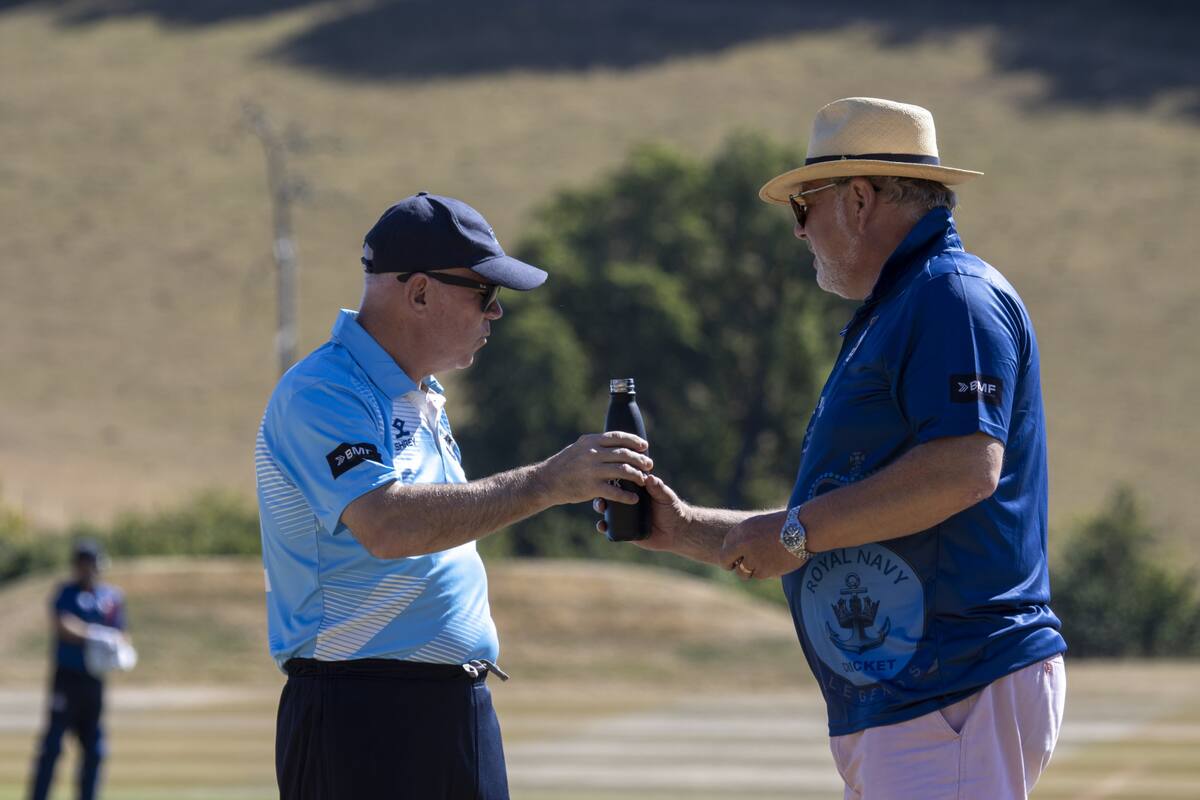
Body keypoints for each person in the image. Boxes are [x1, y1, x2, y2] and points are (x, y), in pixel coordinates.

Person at [595, 97, 1067, 799]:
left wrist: (794, 530)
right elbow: (832, 521)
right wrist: (683, 530)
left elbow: (966, 469)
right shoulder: (909, 303)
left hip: (949, 681)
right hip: (916, 692)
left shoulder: (950, 296)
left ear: (858, 199)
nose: (798, 233)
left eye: (801, 209)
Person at [255, 191, 652, 800]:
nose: (495, 314)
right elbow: (385, 524)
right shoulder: (322, 390)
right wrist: (546, 482)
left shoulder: (418, 394)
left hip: (447, 707)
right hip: (361, 713)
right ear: (418, 292)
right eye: (485, 295)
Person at [28, 539, 128, 800]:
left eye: (90, 564)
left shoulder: (111, 597)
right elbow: (63, 624)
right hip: (66, 678)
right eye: (81, 564)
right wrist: (93, 634)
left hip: (93, 680)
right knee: (52, 745)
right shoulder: (66, 593)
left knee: (94, 748)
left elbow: (120, 634)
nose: (86, 569)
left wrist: (117, 646)